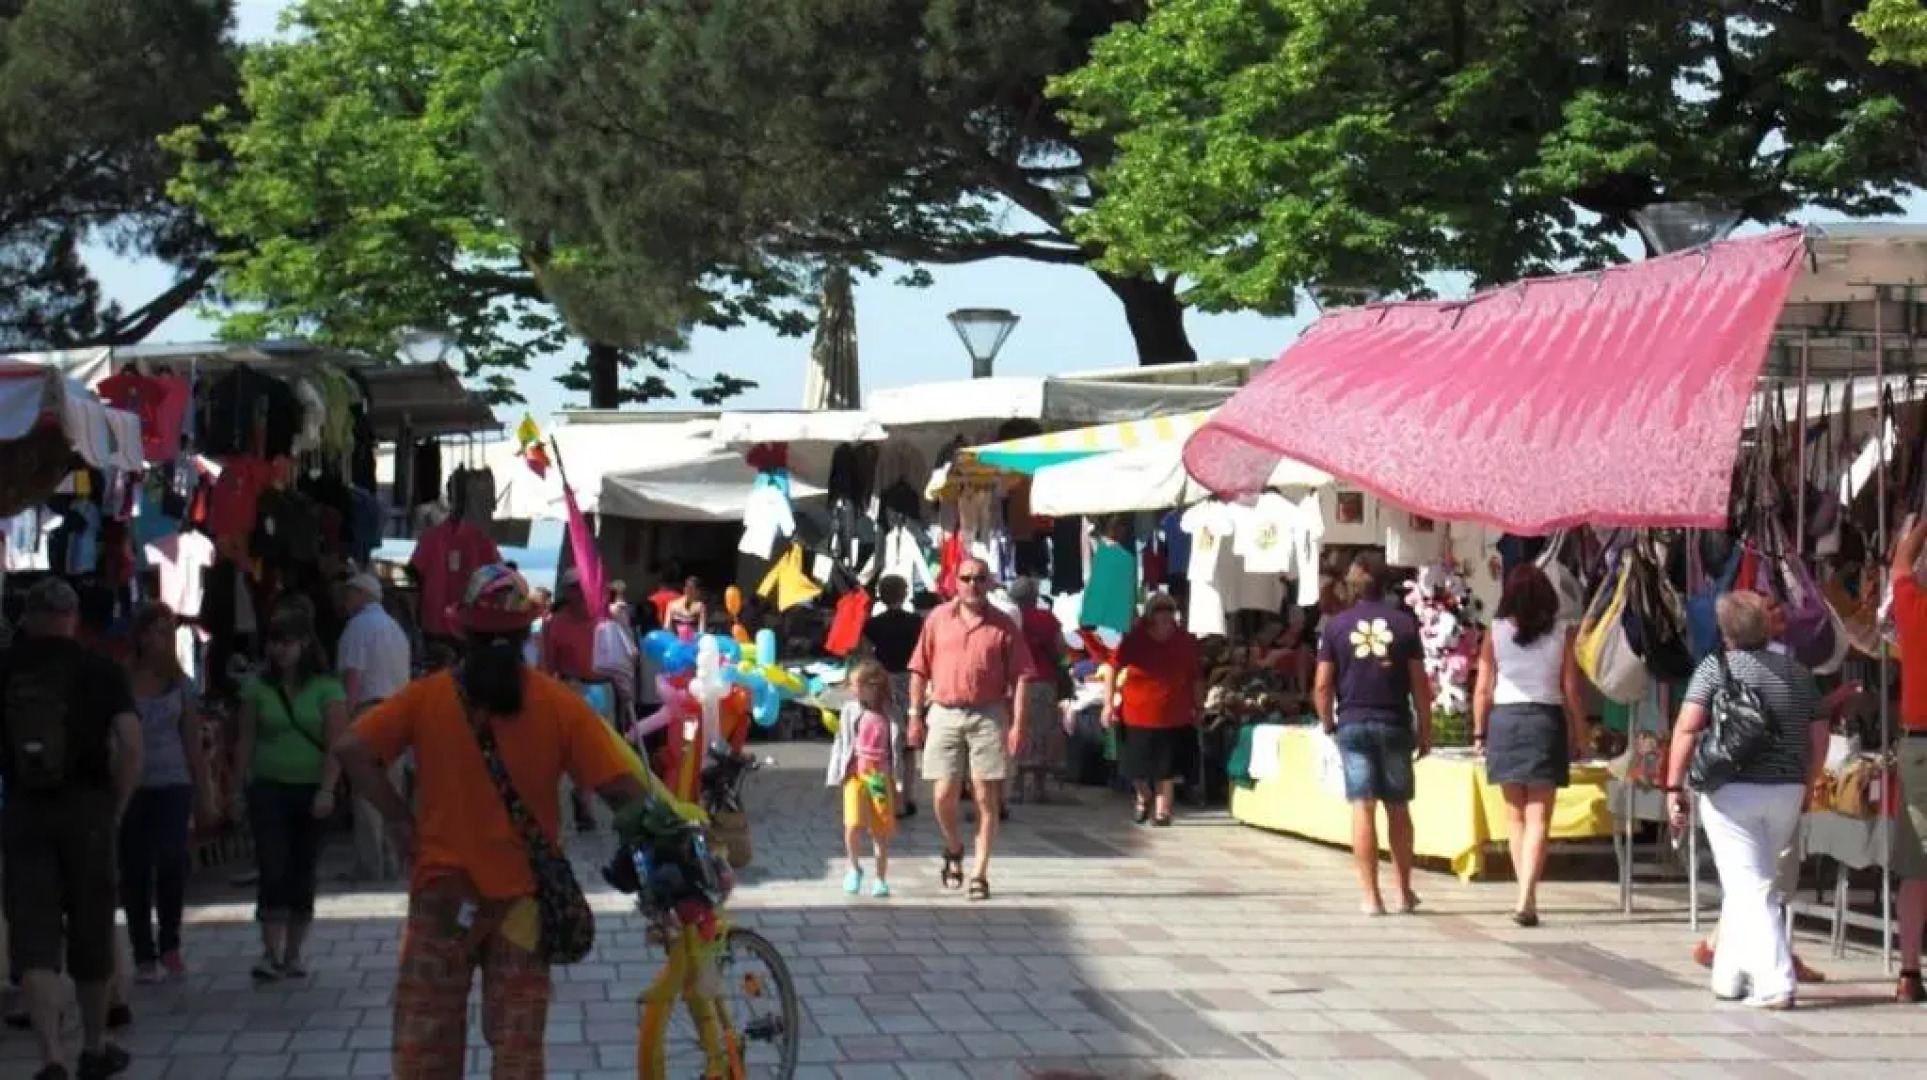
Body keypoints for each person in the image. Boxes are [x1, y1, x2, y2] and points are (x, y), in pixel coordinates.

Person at [334, 564, 659, 1079]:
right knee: (517, 1052)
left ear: (463, 633)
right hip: (522, 904)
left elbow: (352, 749)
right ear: (527, 632)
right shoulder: (558, 704)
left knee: (425, 1050)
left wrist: (399, 820)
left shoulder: (426, 698)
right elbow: (624, 791)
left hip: (443, 898)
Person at [0, 578, 142, 1080]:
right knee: (91, 931)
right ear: (73, 617)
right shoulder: (99, 670)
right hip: (87, 810)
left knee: (33, 938)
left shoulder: (6, 667)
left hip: (23, 811)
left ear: (28, 617)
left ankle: (51, 1056)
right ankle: (94, 1046)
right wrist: (117, 804)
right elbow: (130, 743)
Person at [1662, 590, 1828, 1011]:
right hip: (1787, 789)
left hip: (1730, 790)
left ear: (1726, 632)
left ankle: (1776, 983)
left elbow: (1686, 728)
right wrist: (1809, 783)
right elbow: (1819, 736)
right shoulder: (1798, 673)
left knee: (1751, 886)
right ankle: (1730, 975)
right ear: (1767, 627)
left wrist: (1673, 787)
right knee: (1751, 880)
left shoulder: (1714, 668)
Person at [907, 557, 1037, 901]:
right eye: (966, 578)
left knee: (985, 795)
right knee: (942, 794)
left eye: (979, 578)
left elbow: (1022, 677)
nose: (972, 584)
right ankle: (953, 847)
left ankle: (980, 873)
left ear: (989, 582)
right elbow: (919, 669)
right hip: (944, 711)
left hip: (988, 713)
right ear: (955, 582)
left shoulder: (1003, 624)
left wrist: (1018, 724)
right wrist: (914, 715)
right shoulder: (937, 619)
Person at [235, 605, 347, 982]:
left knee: (303, 868)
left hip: (311, 789)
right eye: (274, 642)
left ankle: (294, 953)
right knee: (272, 866)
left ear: (304, 644)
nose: (279, 650)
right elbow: (245, 740)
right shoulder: (257, 688)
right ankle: (270, 952)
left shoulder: (327, 688)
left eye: (287, 642)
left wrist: (327, 790)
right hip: (268, 788)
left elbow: (336, 743)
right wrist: (237, 787)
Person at [1315, 553, 1432, 916]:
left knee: (1362, 807)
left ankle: (1370, 896)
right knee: (1398, 807)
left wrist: (1328, 722)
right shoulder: (1404, 624)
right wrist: (1425, 729)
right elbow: (1420, 685)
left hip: (1353, 722)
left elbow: (1322, 685)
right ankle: (1404, 891)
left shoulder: (1336, 626)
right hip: (1394, 721)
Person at [1471, 565, 1587, 927]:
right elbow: (1571, 690)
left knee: (1515, 816)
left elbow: (1483, 689)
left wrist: (1479, 733)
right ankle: (1526, 896)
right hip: (1545, 720)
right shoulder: (1562, 634)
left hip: (1505, 720)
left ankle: (1525, 895)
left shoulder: (1494, 632)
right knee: (1539, 817)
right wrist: (1580, 732)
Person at [119, 603, 217, 983]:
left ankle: (170, 943)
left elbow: (192, 741)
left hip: (173, 780)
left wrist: (205, 793)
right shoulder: (121, 680)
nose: (161, 639)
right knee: (135, 867)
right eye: (155, 631)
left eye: (167, 631)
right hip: (131, 783)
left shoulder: (180, 684)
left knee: (172, 859)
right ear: (141, 635)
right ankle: (143, 952)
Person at [337, 573, 413, 882]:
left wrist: (345, 720)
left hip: (369, 712)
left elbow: (353, 677)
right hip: (397, 713)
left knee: (367, 792)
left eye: (348, 594)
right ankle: (393, 862)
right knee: (390, 791)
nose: (344, 601)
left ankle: (370, 865)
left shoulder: (358, 627)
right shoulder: (395, 629)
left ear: (361, 594)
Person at [1102, 592, 1201, 826]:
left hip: (1173, 714)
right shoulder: (1134, 639)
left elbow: (1196, 676)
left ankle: (1163, 811)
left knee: (1166, 767)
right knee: (1134, 766)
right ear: (1150, 615)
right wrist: (1108, 703)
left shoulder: (1185, 641)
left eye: (1168, 610)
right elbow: (1112, 668)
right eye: (1159, 610)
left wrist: (1199, 706)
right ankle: (1143, 795)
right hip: (1136, 713)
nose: (1165, 615)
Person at [1882, 513, 1927, 1002]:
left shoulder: (1916, 609)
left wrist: (1921, 525)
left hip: (1921, 749)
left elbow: (1900, 563)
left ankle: (1909, 974)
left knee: (1917, 866)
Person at [539, 570, 602, 832]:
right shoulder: (554, 624)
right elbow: (547, 666)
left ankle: (584, 798)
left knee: (594, 753)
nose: (580, 593)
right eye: (574, 588)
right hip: (571, 688)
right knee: (565, 751)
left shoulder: (601, 619)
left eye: (583, 587)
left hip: (602, 689)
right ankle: (559, 803)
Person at [827, 661, 897, 897]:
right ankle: (854, 867)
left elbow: (897, 747)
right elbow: (841, 742)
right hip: (855, 774)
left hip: (879, 777)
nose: (851, 689)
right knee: (852, 824)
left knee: (880, 830)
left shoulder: (890, 711)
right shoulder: (849, 710)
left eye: (855, 684)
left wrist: (896, 779)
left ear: (872, 686)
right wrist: (836, 772)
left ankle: (880, 878)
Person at [864, 575, 924, 816]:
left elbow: (865, 657)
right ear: (905, 593)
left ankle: (886, 798)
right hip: (910, 684)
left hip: (883, 684)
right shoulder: (917, 622)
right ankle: (907, 797)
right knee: (908, 746)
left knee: (883, 745)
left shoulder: (872, 625)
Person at [1008, 577, 1066, 804]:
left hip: (1015, 682)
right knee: (1042, 732)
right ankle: (1039, 788)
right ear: (1034, 596)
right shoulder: (1047, 618)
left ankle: (1017, 786)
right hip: (1043, 681)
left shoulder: (1009, 618)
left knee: (1019, 729)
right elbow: (1060, 649)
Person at [666, 576, 707, 641]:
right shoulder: (672, 605)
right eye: (688, 588)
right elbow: (667, 627)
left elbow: (701, 630)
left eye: (691, 588)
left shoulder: (700, 606)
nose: (688, 590)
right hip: (676, 640)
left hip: (691, 640)